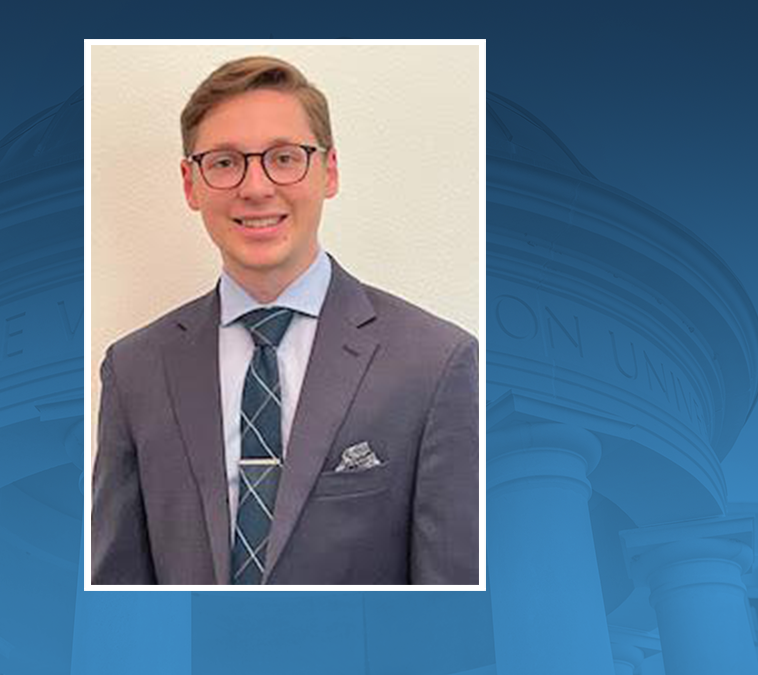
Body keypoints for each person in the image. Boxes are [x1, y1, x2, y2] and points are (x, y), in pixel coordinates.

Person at [91, 55, 479, 585]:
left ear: (329, 171)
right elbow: (118, 593)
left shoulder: (434, 364)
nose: (255, 187)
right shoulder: (135, 370)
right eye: (224, 162)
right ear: (190, 183)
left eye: (284, 158)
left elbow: (451, 600)